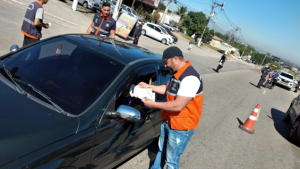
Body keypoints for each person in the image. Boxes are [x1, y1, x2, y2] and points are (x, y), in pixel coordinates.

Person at [138, 46, 203, 169]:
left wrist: (153, 104)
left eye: (166, 62)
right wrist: (148, 86)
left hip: (181, 128)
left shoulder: (190, 78)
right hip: (169, 121)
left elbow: (178, 105)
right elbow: (167, 89)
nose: (165, 66)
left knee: (171, 161)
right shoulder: (177, 74)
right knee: (161, 151)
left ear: (175, 59)